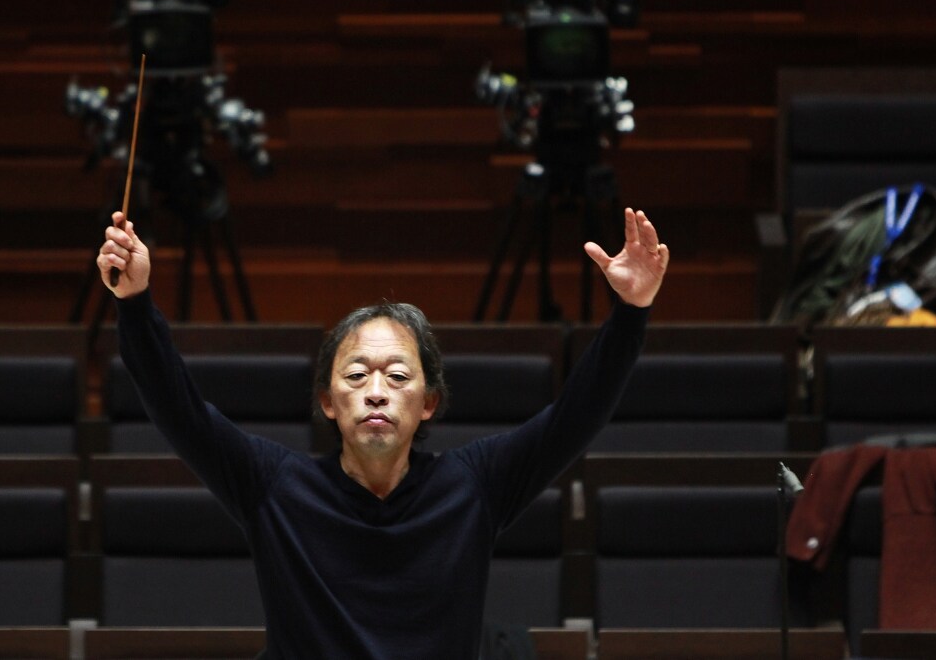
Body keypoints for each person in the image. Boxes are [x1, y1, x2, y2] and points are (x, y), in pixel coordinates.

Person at [98, 207, 668, 659]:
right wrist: (135, 301)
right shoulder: (275, 486)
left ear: (428, 403)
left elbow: (574, 417)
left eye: (397, 376)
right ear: (327, 401)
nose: (376, 390)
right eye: (355, 375)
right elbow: (181, 411)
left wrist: (631, 313)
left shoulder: (474, 487)